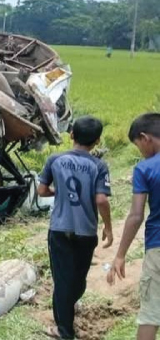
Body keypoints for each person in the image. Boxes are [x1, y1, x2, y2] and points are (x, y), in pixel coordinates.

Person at [38, 115, 114, 339]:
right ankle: (68, 312)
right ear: (97, 141)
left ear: (71, 135)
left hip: (60, 229)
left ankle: (64, 330)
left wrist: (57, 192)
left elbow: (42, 191)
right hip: (86, 230)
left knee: (62, 280)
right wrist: (108, 227)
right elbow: (101, 200)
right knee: (78, 277)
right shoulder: (98, 165)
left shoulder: (55, 160)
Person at [108, 113, 160, 340]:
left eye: (139, 146)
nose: (141, 152)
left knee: (150, 314)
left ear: (145, 137)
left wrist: (120, 255)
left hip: (158, 246)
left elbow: (136, 215)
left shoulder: (145, 168)